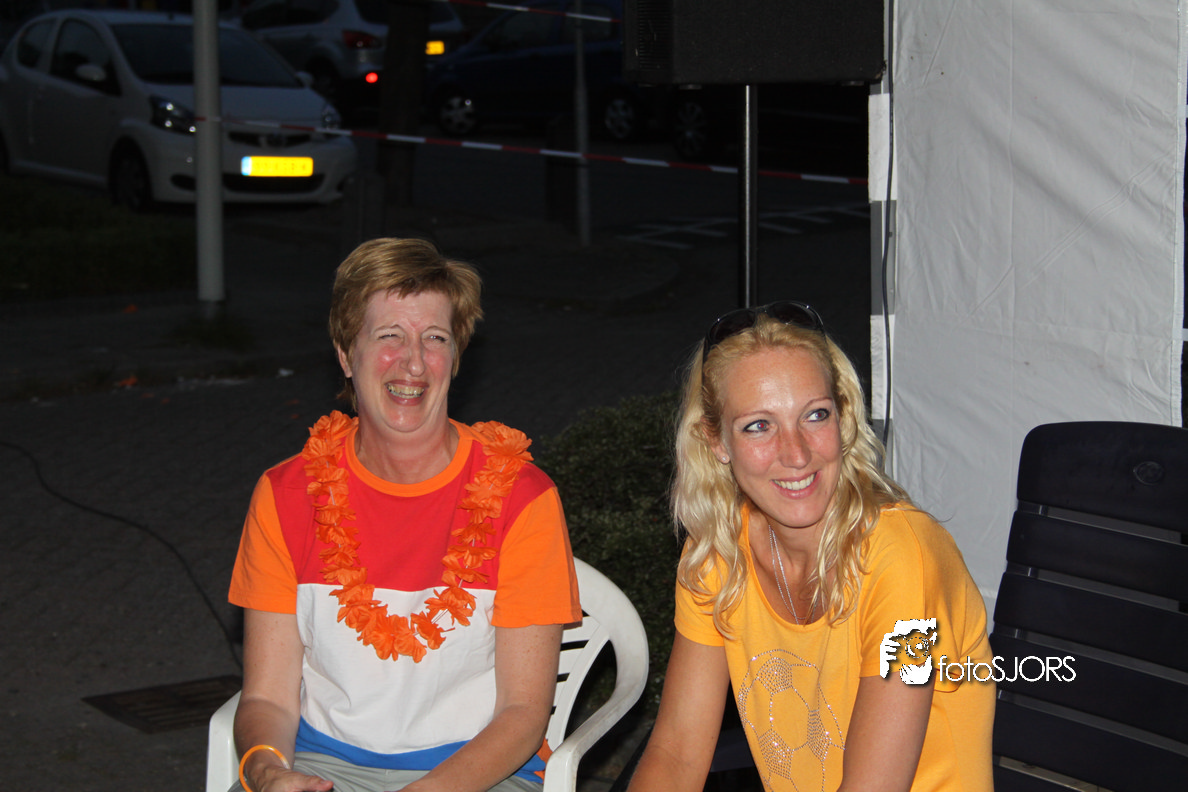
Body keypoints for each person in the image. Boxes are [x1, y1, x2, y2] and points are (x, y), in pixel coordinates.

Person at [228, 237, 581, 792]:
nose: (413, 362)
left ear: (455, 359)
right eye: (389, 335)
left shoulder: (521, 497)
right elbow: (268, 698)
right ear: (346, 355)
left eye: (435, 338)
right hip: (323, 766)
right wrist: (269, 770)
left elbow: (522, 714)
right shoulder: (286, 494)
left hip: (478, 771)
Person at [628, 301, 994, 792]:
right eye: (759, 425)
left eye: (815, 415)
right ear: (716, 441)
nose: (797, 454)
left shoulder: (904, 556)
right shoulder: (718, 551)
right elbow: (676, 755)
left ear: (844, 418)